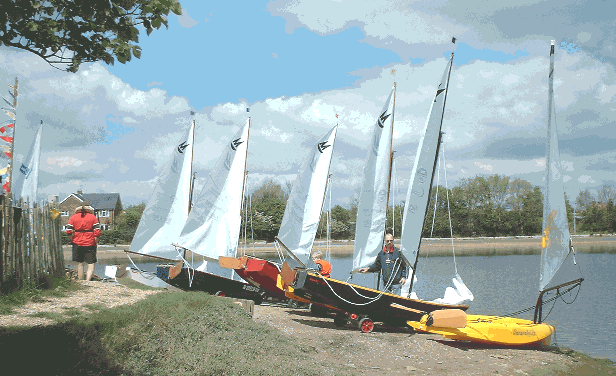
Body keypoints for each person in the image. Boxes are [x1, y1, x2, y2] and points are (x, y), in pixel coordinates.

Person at [66, 205, 101, 281]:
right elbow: (97, 231)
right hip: (90, 242)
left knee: (80, 263)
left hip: (77, 242)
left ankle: (81, 280)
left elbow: (68, 231)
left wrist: (72, 239)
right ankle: (88, 280)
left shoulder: (73, 217)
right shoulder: (92, 217)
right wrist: (95, 241)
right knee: (91, 263)